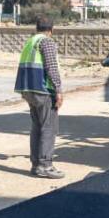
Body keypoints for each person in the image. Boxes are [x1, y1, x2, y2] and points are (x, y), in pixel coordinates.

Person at [14, 18, 65, 179]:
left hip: (28, 89)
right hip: (42, 90)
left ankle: (36, 164)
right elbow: (51, 66)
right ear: (51, 30)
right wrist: (58, 89)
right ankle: (45, 165)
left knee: (37, 127)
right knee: (49, 128)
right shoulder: (46, 42)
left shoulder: (31, 42)